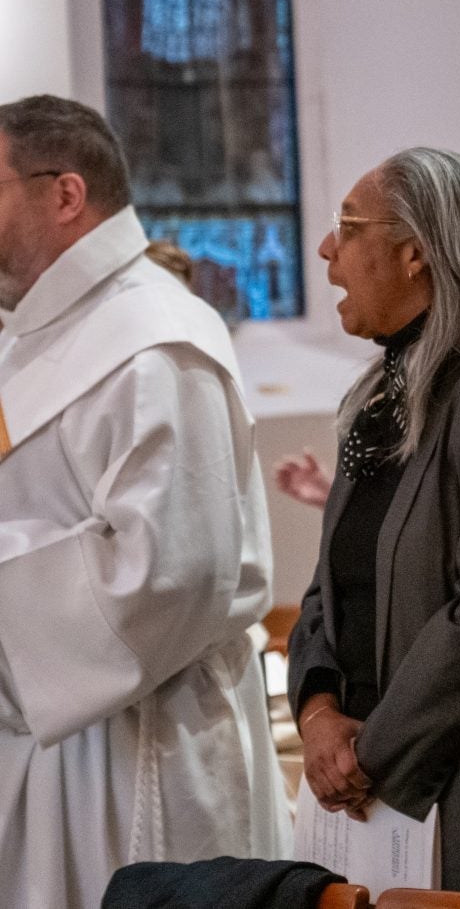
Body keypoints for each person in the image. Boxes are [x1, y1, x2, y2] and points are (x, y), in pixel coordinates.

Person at [0, 95, 286, 907]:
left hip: (140, 752)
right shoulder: (31, 338)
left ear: (65, 194)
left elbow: (167, 575)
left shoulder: (157, 340)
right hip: (47, 743)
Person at [285, 147, 460, 894]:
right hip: (365, 787)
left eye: (347, 228)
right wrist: (317, 713)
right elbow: (328, 585)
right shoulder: (380, 397)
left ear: (416, 252)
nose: (325, 249)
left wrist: (368, 751)